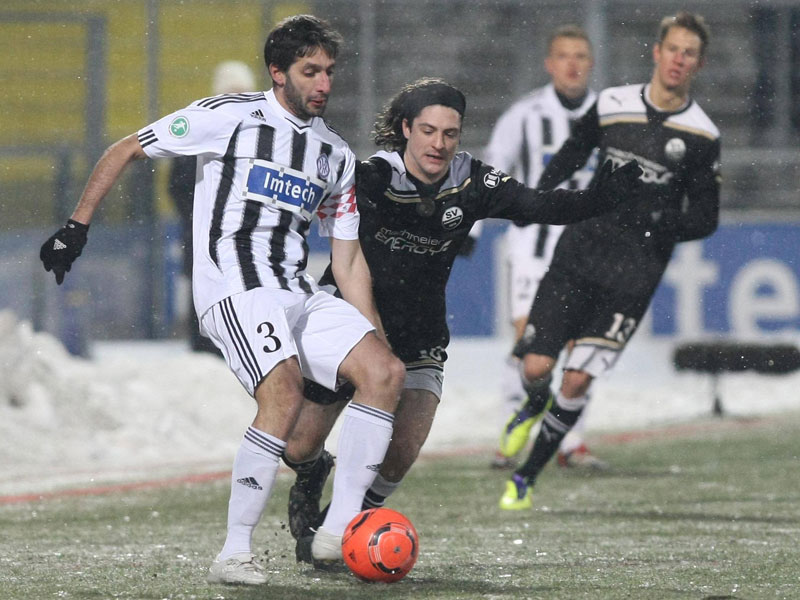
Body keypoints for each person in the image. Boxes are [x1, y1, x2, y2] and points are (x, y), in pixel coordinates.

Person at [39, 14, 407, 586]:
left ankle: (338, 530)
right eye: (311, 71)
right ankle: (234, 551)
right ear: (277, 72)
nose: (324, 84)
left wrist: (372, 332)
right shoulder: (229, 118)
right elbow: (124, 149)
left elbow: (347, 259)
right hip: (233, 289)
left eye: (329, 72)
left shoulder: (334, 154)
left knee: (384, 372)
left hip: (294, 291)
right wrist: (75, 228)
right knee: (282, 392)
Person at [279, 77, 643, 564]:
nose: (439, 144)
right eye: (428, 131)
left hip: (420, 333)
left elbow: (539, 205)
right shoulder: (370, 177)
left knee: (401, 451)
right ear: (405, 129)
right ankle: (311, 470)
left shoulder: (472, 182)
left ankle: (345, 526)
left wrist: (603, 196)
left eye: (450, 134)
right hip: (348, 320)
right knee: (298, 444)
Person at [499, 11, 720, 510]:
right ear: (657, 53)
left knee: (577, 378)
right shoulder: (613, 103)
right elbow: (572, 155)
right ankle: (533, 404)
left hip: (634, 274)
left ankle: (526, 477)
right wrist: (538, 197)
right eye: (673, 49)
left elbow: (706, 218)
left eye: (690, 53)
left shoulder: (703, 135)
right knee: (536, 365)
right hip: (579, 252)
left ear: (698, 64)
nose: (679, 59)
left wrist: (661, 226)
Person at [484, 24, 606, 471]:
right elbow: (494, 168)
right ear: (549, 64)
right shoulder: (526, 114)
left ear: (590, 64)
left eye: (581, 56)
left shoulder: (609, 114)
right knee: (531, 345)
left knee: (578, 347)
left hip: (588, 248)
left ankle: (570, 440)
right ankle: (514, 424)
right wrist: (472, 231)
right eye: (564, 55)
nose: (572, 64)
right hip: (534, 246)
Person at [168, 60, 257, 354]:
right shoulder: (196, 131)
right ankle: (206, 347)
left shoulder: (263, 134)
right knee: (205, 290)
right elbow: (178, 186)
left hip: (247, 235)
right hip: (204, 236)